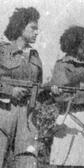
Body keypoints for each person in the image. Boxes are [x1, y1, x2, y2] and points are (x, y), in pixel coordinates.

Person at [49, 26, 84, 167]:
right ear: (75, 45)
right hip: (70, 119)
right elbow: (61, 95)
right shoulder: (62, 66)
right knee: (67, 162)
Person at [0, 7, 42, 168]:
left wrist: (53, 93)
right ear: (20, 27)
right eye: (33, 28)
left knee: (27, 162)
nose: (37, 33)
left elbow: (39, 89)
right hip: (3, 112)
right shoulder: (2, 51)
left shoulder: (35, 57)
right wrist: (11, 91)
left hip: (27, 116)